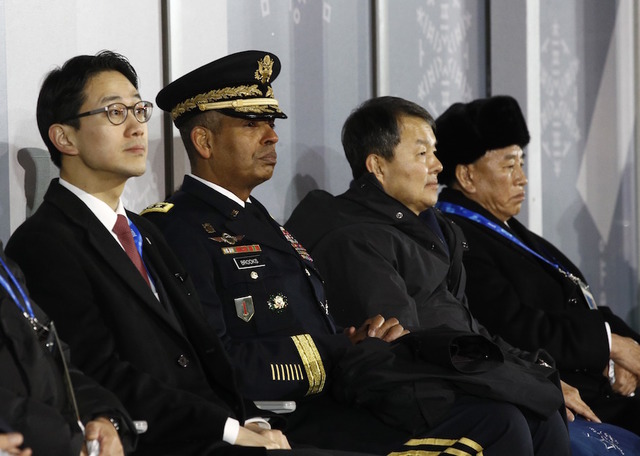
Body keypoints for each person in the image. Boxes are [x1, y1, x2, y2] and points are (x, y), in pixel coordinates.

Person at [144, 51, 569, 456]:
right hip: (278, 417)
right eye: (252, 124)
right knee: (497, 423)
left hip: (333, 395)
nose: (272, 135)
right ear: (204, 140)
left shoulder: (264, 223)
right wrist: (339, 347)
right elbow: (214, 358)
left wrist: (359, 339)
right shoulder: (179, 229)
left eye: (270, 123)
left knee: (527, 414)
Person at [5, 51, 305, 455]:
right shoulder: (44, 242)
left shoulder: (143, 230)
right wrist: (229, 429)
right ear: (65, 138)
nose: (136, 128)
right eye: (115, 112)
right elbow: (98, 373)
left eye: (139, 110)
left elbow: (205, 350)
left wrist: (251, 420)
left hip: (214, 431)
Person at [284, 95, 575, 455]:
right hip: (396, 398)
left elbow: (465, 324)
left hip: (447, 375)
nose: (437, 165)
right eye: (422, 154)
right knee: (509, 419)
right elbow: (401, 353)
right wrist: (515, 382)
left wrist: (532, 370)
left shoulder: (437, 229)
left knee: (544, 409)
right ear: (377, 166)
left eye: (434, 152)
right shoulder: (354, 238)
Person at [433, 95, 640, 435]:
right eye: (508, 165)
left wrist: (629, 352)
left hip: (600, 389)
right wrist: (610, 347)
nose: (522, 178)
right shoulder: (458, 238)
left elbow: (578, 303)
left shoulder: (504, 227)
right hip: (565, 401)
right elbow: (515, 327)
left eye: (522, 163)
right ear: (467, 176)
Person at [1, 240, 134, 455]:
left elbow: (55, 362)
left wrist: (105, 417)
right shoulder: (42, 239)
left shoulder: (5, 269)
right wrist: (68, 442)